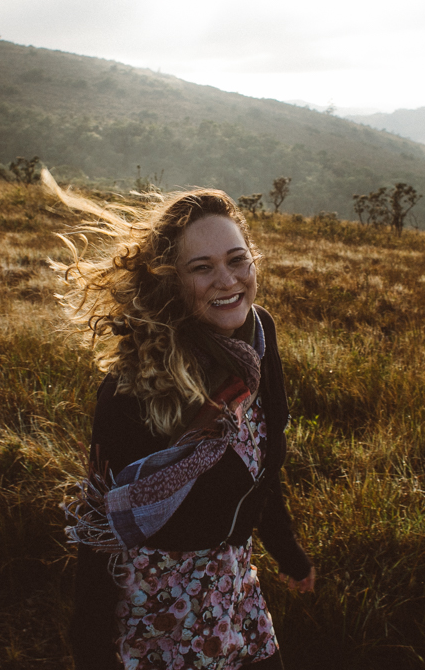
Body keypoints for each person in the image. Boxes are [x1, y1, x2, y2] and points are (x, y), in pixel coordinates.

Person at [46, 171, 315, 670]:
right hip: (162, 613)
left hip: (236, 591)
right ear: (172, 281)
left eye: (237, 260)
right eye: (202, 268)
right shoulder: (134, 387)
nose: (228, 281)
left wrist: (288, 552)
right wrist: (91, 651)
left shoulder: (257, 339)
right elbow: (102, 527)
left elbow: (262, 459)